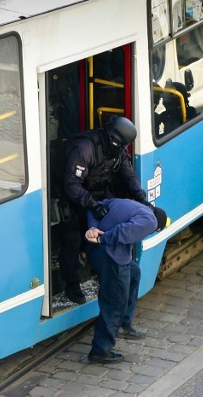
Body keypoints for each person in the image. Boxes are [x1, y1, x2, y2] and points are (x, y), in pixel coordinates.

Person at [60, 116, 149, 304]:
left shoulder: (118, 151)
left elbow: (129, 175)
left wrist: (142, 198)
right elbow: (71, 184)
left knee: (109, 232)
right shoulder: (85, 148)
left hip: (100, 195)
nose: (121, 149)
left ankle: (102, 272)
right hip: (75, 197)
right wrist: (91, 204)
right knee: (72, 240)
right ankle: (71, 284)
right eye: (119, 145)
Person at [84, 198, 168, 364]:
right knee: (115, 302)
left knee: (134, 273)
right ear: (157, 227)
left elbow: (95, 207)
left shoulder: (130, 204)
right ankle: (100, 351)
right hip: (111, 255)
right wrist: (102, 238)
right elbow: (124, 231)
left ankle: (124, 323)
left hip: (95, 250)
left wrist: (93, 227)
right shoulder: (150, 222)